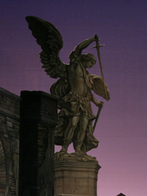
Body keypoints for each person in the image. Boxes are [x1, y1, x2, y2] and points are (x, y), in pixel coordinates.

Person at [26, 17, 110, 161]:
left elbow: (89, 94)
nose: (90, 65)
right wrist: (91, 39)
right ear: (85, 59)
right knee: (72, 123)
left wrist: (97, 103)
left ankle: (78, 150)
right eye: (90, 62)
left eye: (92, 64)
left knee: (83, 127)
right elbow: (79, 48)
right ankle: (64, 148)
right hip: (74, 100)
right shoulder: (74, 66)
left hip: (85, 103)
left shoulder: (89, 76)